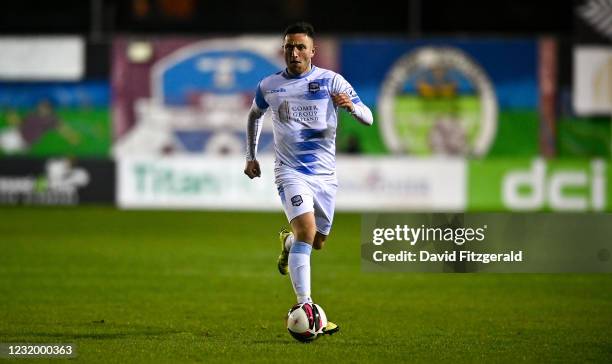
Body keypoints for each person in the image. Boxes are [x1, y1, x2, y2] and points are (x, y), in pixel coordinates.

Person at [243, 21, 373, 335]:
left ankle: (288, 244)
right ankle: (307, 306)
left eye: (301, 47)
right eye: (289, 47)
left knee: (317, 242)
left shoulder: (332, 81)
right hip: (290, 171)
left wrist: (352, 107)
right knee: (306, 230)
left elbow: (368, 118)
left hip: (325, 177)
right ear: (283, 51)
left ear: (313, 51)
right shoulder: (270, 85)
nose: (295, 52)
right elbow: (253, 116)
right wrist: (250, 155)